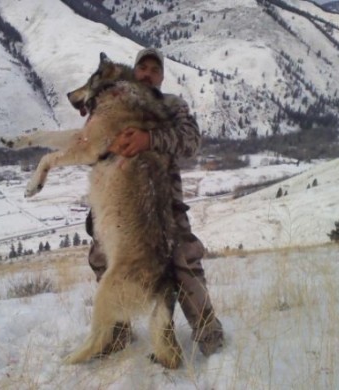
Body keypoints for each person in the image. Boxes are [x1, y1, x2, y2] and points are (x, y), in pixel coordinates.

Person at [85, 48, 224, 357]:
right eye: (142, 68)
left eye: (154, 69)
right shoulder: (116, 103)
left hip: (164, 209)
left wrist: (149, 140)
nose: (147, 73)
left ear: (161, 77)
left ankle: (210, 338)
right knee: (103, 260)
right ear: (134, 72)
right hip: (121, 205)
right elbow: (92, 145)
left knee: (183, 261)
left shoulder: (172, 106)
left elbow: (190, 141)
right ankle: (116, 333)